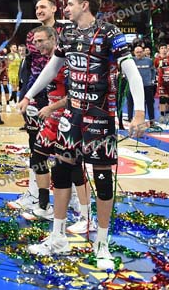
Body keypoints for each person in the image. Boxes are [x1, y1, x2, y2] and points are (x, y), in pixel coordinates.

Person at [20, 0, 146, 268]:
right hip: (72, 115)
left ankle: (102, 244)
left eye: (70, 4)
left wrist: (139, 112)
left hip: (100, 116)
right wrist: (29, 94)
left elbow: (131, 71)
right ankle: (58, 236)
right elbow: (52, 68)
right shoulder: (67, 34)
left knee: (102, 178)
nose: (66, 9)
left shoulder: (110, 33)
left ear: (85, 5)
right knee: (61, 170)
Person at [27, 26, 96, 235]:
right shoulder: (48, 62)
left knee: (73, 166)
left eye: (41, 41)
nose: (37, 45)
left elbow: (74, 94)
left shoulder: (66, 63)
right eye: (35, 42)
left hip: (69, 118)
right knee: (37, 157)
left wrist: (51, 108)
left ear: (53, 38)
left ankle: (87, 217)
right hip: (51, 120)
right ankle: (44, 206)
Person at [12, 0, 63, 214]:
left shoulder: (66, 33)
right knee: (35, 145)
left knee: (64, 148)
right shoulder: (31, 34)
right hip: (37, 96)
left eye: (43, 7)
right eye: (36, 8)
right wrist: (26, 94)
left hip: (60, 97)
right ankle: (35, 194)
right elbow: (30, 67)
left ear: (54, 8)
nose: (39, 10)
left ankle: (67, 196)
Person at [130, 46, 157, 129]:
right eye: (137, 52)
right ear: (134, 53)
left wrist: (152, 79)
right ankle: (140, 121)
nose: (139, 54)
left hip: (147, 85)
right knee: (139, 105)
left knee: (150, 104)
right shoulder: (131, 61)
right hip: (137, 87)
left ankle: (152, 122)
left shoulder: (149, 61)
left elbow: (153, 70)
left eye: (140, 52)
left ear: (143, 52)